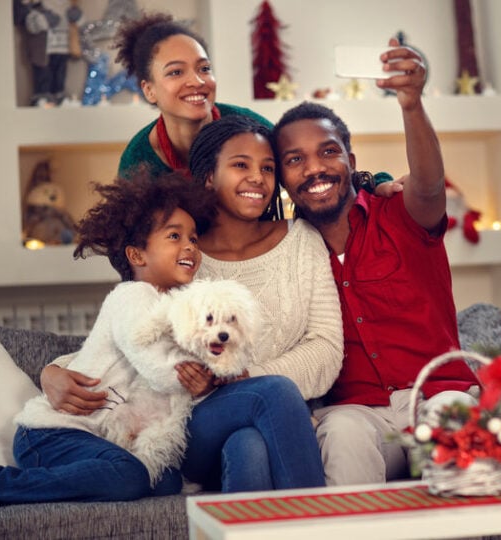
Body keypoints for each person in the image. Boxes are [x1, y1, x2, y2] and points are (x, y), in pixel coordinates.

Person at [0, 171, 307, 509]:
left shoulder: (183, 306)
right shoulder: (133, 297)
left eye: (194, 239)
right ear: (137, 256)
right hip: (53, 432)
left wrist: (213, 373)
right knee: (131, 475)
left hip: (104, 438)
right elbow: (157, 366)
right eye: (174, 236)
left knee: (173, 475)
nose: (189, 247)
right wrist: (203, 373)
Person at [272, 40, 479, 486]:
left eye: (328, 151)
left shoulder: (400, 213)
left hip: (439, 395)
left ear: (351, 160)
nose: (314, 169)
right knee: (341, 431)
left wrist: (411, 104)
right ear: (282, 179)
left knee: (453, 422)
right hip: (360, 414)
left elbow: (427, 183)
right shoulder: (287, 253)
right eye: (294, 160)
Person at [182, 115, 343, 490]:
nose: (258, 177)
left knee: (249, 448)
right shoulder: (185, 254)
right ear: (209, 176)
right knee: (275, 389)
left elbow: (326, 348)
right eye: (241, 165)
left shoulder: (301, 241)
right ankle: (324, 527)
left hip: (276, 427)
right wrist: (55, 369)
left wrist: (245, 378)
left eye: (268, 168)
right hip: (199, 424)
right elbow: (131, 324)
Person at [112, 11, 270, 177]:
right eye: (176, 72)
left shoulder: (252, 126)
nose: (197, 82)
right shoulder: (137, 161)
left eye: (204, 69)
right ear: (149, 91)